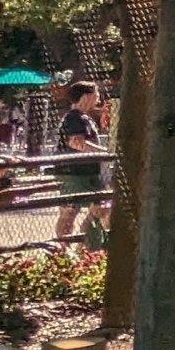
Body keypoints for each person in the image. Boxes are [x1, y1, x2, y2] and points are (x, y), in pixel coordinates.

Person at [50, 82, 106, 244]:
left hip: (88, 173)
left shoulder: (84, 118)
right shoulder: (74, 118)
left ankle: (86, 244)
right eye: (96, 95)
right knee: (69, 212)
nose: (98, 99)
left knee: (99, 208)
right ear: (86, 97)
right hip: (73, 174)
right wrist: (104, 153)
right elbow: (76, 142)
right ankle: (62, 248)